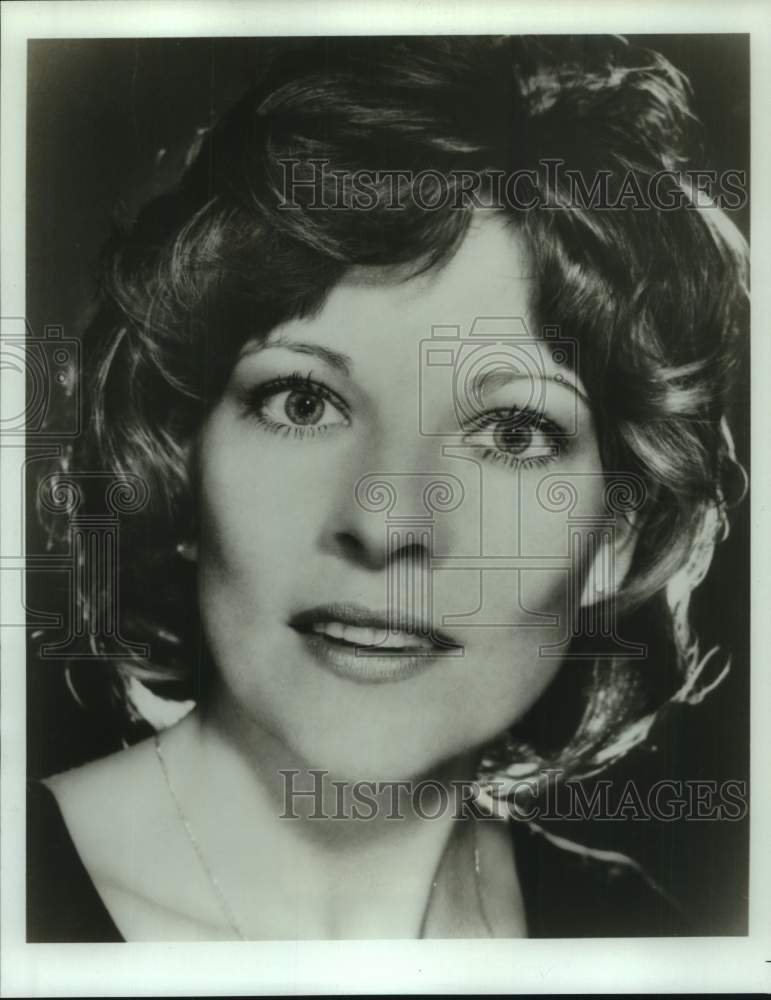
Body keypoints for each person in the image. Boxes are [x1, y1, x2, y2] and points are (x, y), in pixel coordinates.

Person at [27, 35, 748, 941]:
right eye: (302, 403)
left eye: (513, 433)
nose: (387, 518)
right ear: (180, 458)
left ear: (615, 539)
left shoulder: (647, 939)